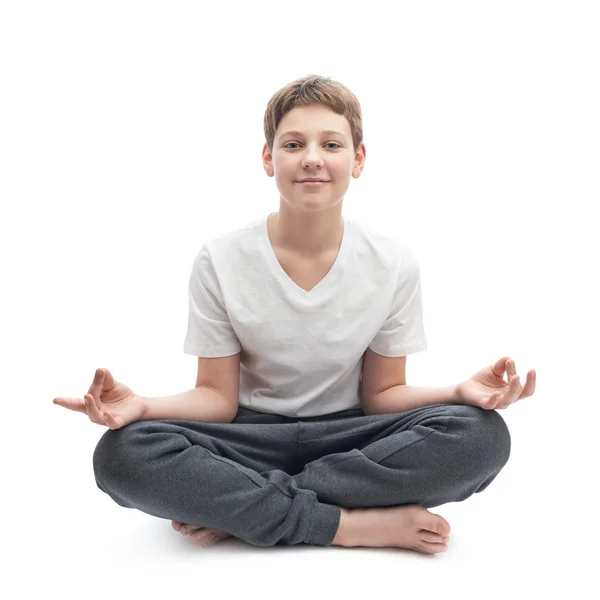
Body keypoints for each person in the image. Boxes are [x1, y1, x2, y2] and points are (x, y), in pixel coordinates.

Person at [53, 74, 536, 554]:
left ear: (358, 159)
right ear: (268, 158)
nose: (311, 158)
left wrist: (458, 392)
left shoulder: (392, 262)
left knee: (480, 437)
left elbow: (382, 394)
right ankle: (347, 525)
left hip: (352, 436)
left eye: (331, 144)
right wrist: (143, 406)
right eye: (292, 144)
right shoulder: (220, 259)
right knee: (122, 455)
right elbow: (217, 399)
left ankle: (244, 509)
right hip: (248, 435)